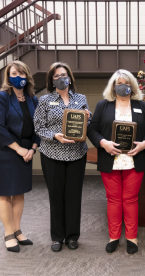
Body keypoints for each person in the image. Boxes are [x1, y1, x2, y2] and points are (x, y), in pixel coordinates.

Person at [87, 69, 145, 255]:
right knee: (114, 200)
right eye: (119, 83)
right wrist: (103, 143)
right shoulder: (103, 105)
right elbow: (92, 129)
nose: (123, 86)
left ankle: (132, 237)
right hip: (110, 159)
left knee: (130, 200)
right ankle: (114, 236)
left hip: (134, 159)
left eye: (126, 83)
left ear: (132, 86)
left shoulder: (141, 105)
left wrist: (144, 144)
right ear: (113, 86)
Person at [33, 62, 91, 252]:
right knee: (56, 196)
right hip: (52, 154)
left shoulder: (81, 98)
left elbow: (87, 124)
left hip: (76, 154)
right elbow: (39, 127)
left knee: (74, 196)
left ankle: (73, 236)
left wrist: (88, 117)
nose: (60, 78)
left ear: (70, 77)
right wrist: (55, 136)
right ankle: (57, 237)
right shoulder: (44, 101)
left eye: (64, 75)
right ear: (51, 80)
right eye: (56, 76)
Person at [0, 60, 40, 252]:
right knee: (4, 193)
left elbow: (38, 126)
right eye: (14, 74)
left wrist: (33, 148)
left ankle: (18, 230)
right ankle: (8, 233)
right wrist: (19, 149)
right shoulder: (1, 97)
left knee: (19, 192)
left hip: (26, 151)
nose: (18, 77)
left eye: (21, 74)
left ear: (27, 76)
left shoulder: (32, 98)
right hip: (5, 150)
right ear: (8, 77)